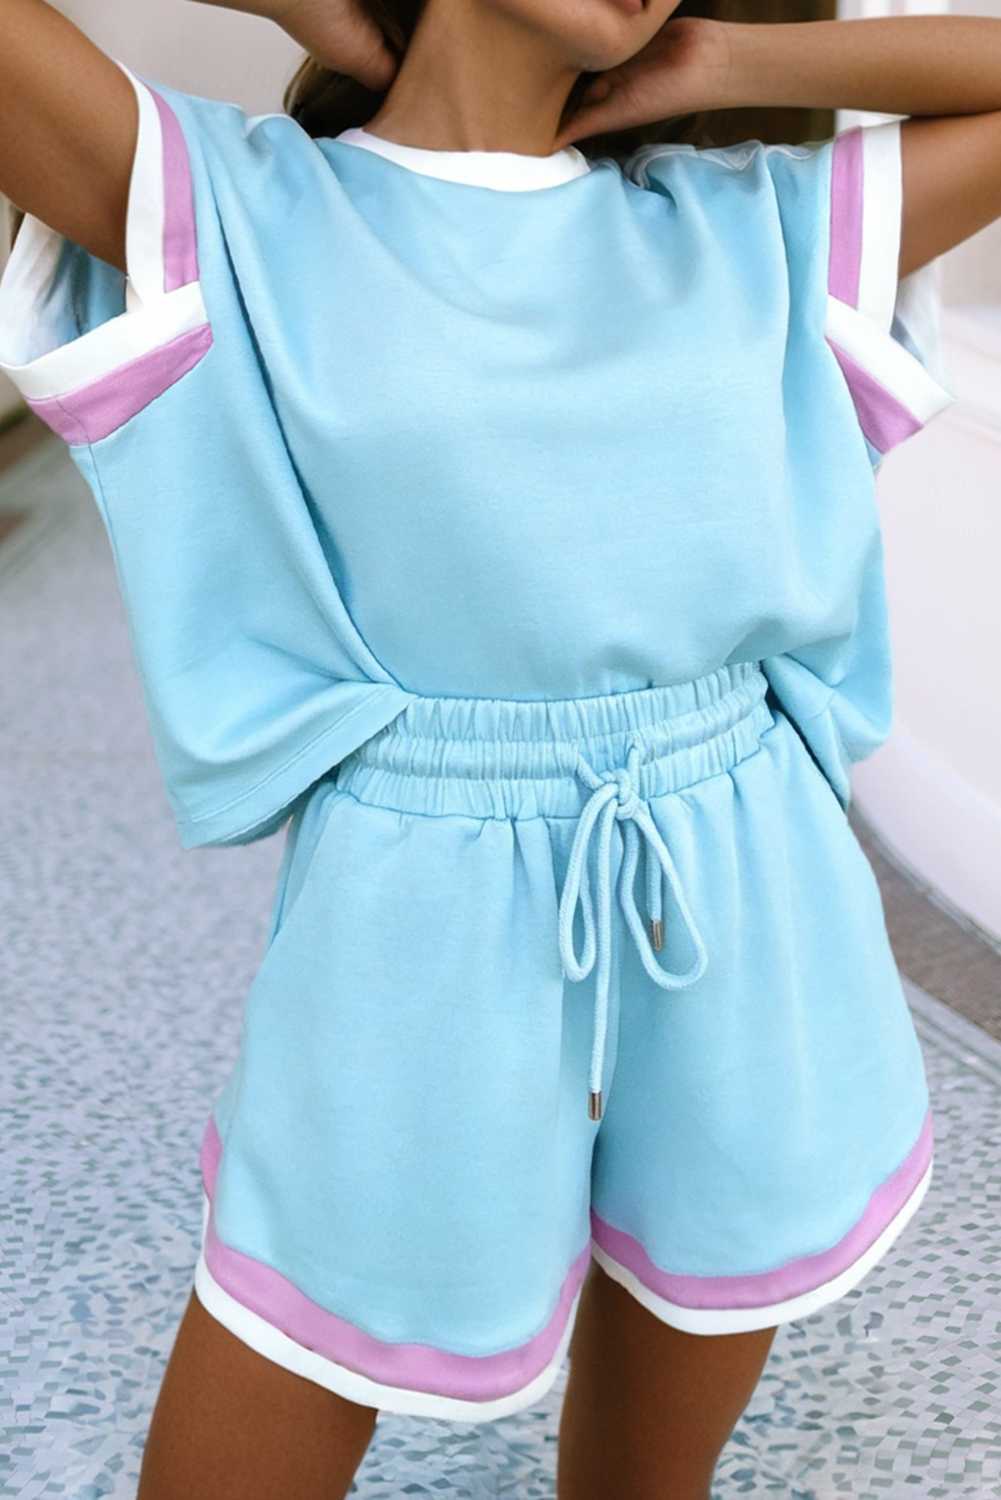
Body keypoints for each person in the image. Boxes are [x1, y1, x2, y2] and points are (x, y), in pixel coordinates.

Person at [1, 0, 999, 1495]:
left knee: (659, 1435)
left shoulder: (760, 225)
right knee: (296, 1326)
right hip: (418, 906)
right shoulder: (236, 209)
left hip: (749, 879)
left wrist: (731, 64)